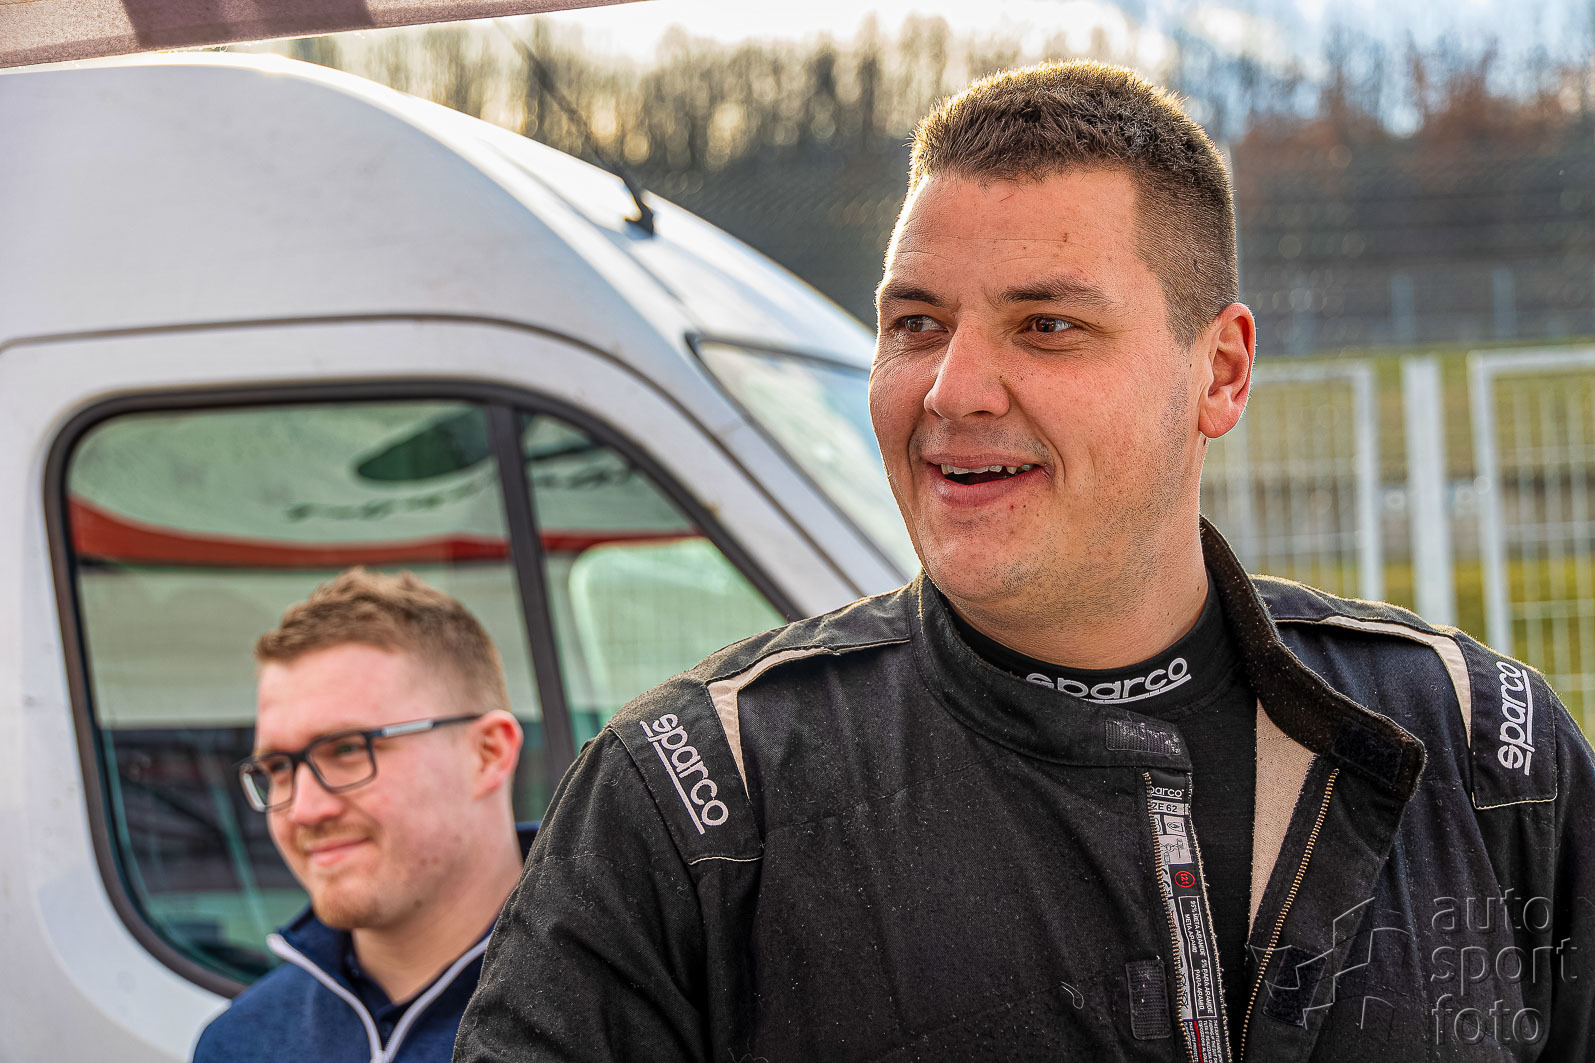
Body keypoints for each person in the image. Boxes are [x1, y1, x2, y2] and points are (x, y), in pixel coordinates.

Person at [454, 61, 1595, 1062]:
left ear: (1219, 373)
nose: (951, 390)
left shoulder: (1482, 748)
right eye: (914, 323)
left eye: (1045, 325)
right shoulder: (695, 797)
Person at [194, 569, 530, 1063]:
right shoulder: (240, 1045)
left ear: (487, 754)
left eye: (348, 749)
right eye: (279, 767)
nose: (305, 809)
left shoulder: (622, 1006)